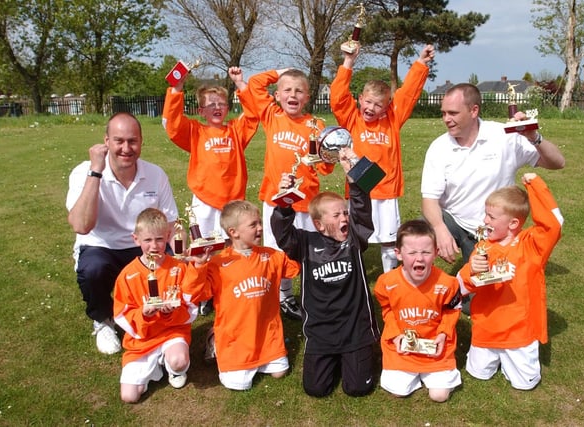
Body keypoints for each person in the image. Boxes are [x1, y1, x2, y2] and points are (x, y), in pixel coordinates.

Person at [270, 148, 380, 397]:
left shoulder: (354, 239)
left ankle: (355, 357)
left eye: (345, 212)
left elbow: (362, 213)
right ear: (318, 224)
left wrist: (354, 178)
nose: (345, 217)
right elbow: (282, 233)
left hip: (355, 328)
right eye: (337, 214)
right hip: (321, 330)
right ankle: (336, 358)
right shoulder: (304, 243)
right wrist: (285, 199)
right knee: (316, 389)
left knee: (357, 389)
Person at [66, 112, 179, 355]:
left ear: (141, 142)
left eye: (132, 141)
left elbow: (171, 224)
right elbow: (81, 226)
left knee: (170, 263)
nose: (126, 148)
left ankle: (160, 313)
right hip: (101, 246)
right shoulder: (83, 172)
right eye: (119, 141)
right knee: (92, 270)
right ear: (106, 141)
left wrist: (177, 261)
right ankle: (103, 320)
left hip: (142, 245)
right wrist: (96, 172)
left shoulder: (156, 174)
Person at [421, 83, 565, 266]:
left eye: (453, 113)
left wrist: (534, 137)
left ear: (474, 111)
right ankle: (422, 291)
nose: (446, 119)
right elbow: (429, 200)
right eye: (443, 113)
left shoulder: (504, 136)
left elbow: (557, 163)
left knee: (483, 291)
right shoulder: (439, 147)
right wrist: (440, 228)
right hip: (455, 222)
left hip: (494, 230)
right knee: (417, 236)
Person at [330, 43, 435, 273]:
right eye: (368, 102)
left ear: (387, 107)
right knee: (353, 237)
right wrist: (348, 62)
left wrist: (420, 63)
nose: (371, 108)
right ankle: (353, 275)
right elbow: (337, 97)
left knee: (389, 241)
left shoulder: (392, 120)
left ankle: (389, 277)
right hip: (359, 192)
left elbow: (407, 94)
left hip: (385, 191)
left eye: (378, 105)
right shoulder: (350, 118)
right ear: (359, 99)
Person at [162, 66, 259, 315]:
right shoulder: (195, 131)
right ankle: (204, 291)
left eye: (221, 104)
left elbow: (253, 116)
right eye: (210, 104)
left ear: (228, 108)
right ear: (201, 111)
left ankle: (231, 284)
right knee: (203, 248)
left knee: (233, 246)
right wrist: (176, 89)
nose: (216, 108)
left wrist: (240, 83)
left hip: (233, 203)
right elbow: (173, 126)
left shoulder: (236, 132)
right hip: (205, 201)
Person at [240, 67, 334, 320]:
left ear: (307, 97)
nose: (293, 95)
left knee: (306, 250)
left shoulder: (316, 124)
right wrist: (281, 71)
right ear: (278, 95)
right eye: (287, 90)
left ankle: (311, 294)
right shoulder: (271, 115)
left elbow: (325, 167)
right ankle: (283, 297)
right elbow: (256, 83)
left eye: (299, 90)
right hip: (276, 198)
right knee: (276, 250)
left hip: (306, 201)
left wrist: (330, 154)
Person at [457, 173, 563, 390]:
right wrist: (472, 270)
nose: (485, 221)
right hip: (486, 328)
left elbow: (553, 224)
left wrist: (535, 186)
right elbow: (464, 285)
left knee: (524, 385)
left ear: (514, 223)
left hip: (519, 332)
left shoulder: (532, 245)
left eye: (492, 217)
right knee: (478, 375)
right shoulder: (483, 247)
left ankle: (511, 362)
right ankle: (495, 360)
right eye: (486, 214)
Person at [113, 208, 212, 403]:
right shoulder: (127, 275)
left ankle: (174, 367)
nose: (154, 246)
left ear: (168, 237)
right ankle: (154, 364)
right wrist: (144, 314)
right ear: (136, 239)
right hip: (143, 339)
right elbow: (122, 313)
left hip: (172, 331)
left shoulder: (177, 266)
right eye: (147, 240)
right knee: (129, 396)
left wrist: (199, 267)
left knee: (178, 361)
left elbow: (191, 296)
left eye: (159, 239)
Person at [204, 200, 300, 391]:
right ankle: (216, 339)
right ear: (233, 232)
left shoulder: (271, 255)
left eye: (259, 223)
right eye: (253, 225)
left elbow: (295, 267)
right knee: (239, 385)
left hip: (267, 335)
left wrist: (294, 243)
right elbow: (196, 292)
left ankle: (265, 351)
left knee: (280, 373)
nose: (260, 228)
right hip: (237, 337)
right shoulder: (218, 263)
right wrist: (197, 267)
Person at [374, 219, 463, 401]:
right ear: (398, 254)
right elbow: (387, 311)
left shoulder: (448, 283)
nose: (419, 258)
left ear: (436, 253)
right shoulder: (386, 282)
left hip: (435, 346)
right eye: (412, 252)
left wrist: (443, 334)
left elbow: (452, 311)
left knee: (439, 395)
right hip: (403, 348)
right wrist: (396, 335)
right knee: (398, 391)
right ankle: (412, 373)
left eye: (426, 252)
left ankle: (429, 374)